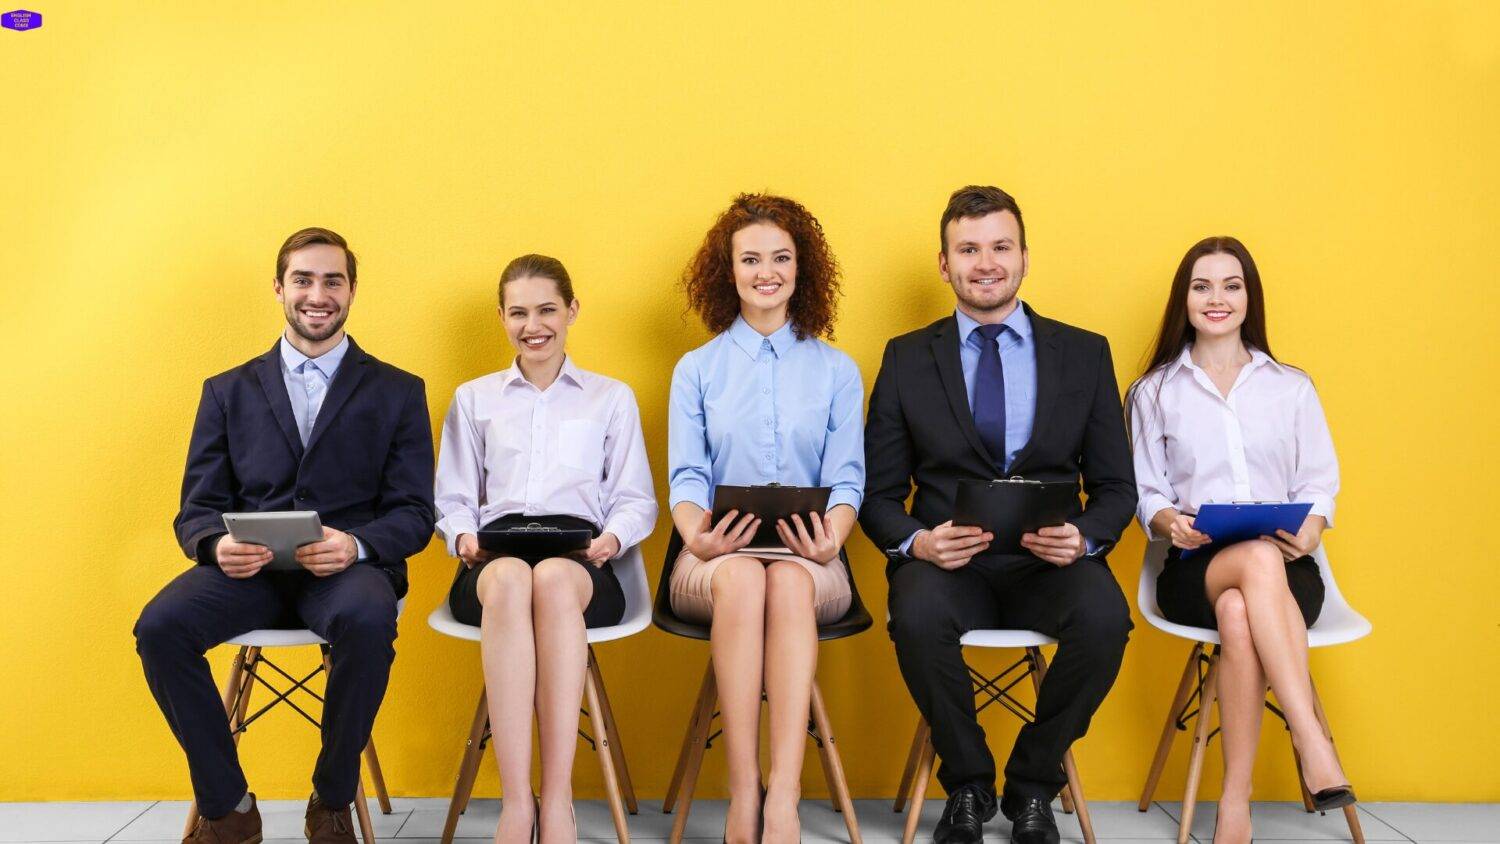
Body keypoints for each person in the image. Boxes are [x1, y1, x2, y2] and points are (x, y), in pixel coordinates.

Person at [133, 227, 436, 844]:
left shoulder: (398, 391)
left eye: (332, 280)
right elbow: (196, 509)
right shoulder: (226, 391)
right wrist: (215, 545)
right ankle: (227, 804)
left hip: (347, 575)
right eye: (303, 279)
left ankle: (331, 795)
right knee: (158, 628)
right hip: (248, 578)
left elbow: (414, 513)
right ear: (279, 288)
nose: (317, 294)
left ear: (352, 291)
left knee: (369, 621)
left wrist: (356, 545)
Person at [861, 186, 1136, 844]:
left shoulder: (1085, 353)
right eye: (969, 248)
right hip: (949, 566)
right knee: (917, 617)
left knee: (1106, 621)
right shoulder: (905, 358)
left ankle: (1035, 785)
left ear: (1024, 258)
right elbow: (875, 493)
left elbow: (1116, 487)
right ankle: (968, 783)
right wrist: (918, 544)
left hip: (1050, 564)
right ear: (944, 263)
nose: (985, 262)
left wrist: (1084, 538)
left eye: (1000, 247)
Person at [1128, 236, 1354, 844]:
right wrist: (1167, 522)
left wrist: (1311, 527)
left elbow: (1321, 482)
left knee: (1239, 611)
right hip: (1192, 567)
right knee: (1241, 571)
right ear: (1185, 298)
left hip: (1285, 570)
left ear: (1249, 298)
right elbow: (1147, 491)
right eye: (1202, 286)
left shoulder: (1291, 386)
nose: (1217, 298)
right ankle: (1311, 741)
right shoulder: (1154, 392)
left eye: (1232, 285)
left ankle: (1234, 802)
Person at [434, 254, 657, 844]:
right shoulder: (474, 398)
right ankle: (517, 805)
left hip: (581, 557)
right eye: (518, 313)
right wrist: (463, 536)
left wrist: (612, 538)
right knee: (511, 581)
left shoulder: (610, 398)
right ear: (503, 319)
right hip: (494, 554)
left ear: (572, 311)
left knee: (554, 581)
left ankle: (557, 802)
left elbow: (636, 498)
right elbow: (454, 495)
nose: (534, 325)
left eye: (547, 310)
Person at [667, 193, 864, 844]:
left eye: (780, 258)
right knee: (747, 579)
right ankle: (741, 788)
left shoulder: (838, 371)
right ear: (729, 271)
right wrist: (698, 533)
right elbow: (688, 475)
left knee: (782, 582)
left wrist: (829, 539)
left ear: (801, 269)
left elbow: (847, 477)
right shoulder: (696, 371)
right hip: (715, 557)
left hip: (814, 559)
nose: (766, 272)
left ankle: (784, 790)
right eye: (750, 259)